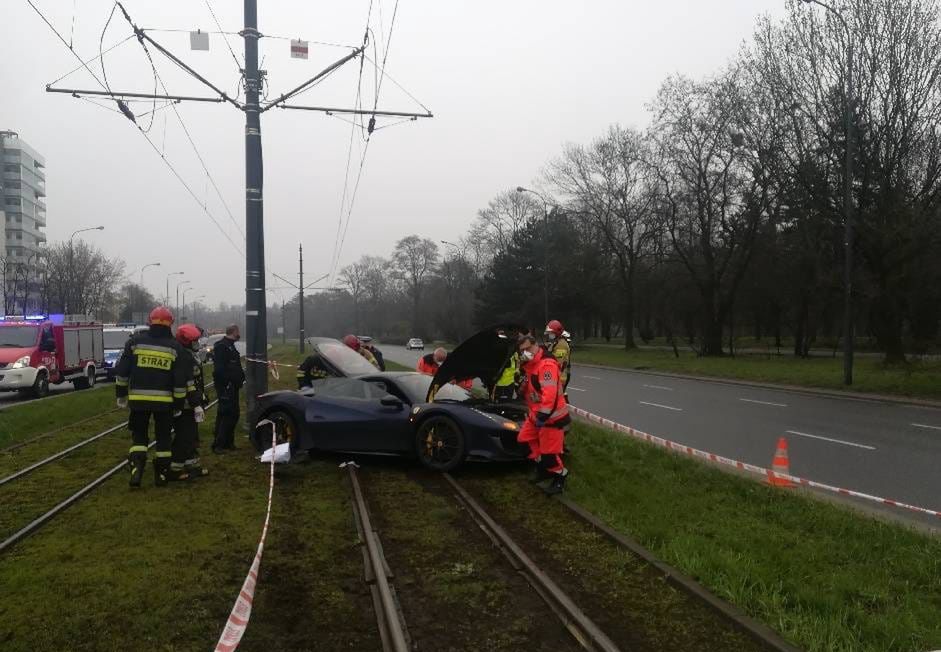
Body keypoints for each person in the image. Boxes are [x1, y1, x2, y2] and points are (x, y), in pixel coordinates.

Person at [115, 306, 190, 488]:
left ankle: (136, 472)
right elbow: (180, 382)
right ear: (170, 324)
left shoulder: (134, 343)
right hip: (165, 404)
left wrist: (121, 395)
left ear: (149, 322)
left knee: (139, 437)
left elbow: (122, 373)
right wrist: (179, 404)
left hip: (138, 402)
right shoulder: (175, 348)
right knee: (163, 438)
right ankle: (161, 476)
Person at [517, 334, 570, 495]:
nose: (526, 352)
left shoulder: (546, 365)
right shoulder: (531, 365)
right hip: (536, 416)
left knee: (549, 453)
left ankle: (560, 477)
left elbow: (550, 396)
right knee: (524, 438)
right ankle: (544, 469)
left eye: (528, 349)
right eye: (523, 350)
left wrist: (542, 417)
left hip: (551, 419)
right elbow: (530, 390)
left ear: (536, 346)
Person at [169, 323, 209, 480]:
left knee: (192, 436)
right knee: (184, 436)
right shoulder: (183, 357)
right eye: (194, 342)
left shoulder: (189, 355)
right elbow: (188, 384)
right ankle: (175, 469)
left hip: (191, 402)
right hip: (185, 405)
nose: (197, 345)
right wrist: (196, 404)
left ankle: (192, 464)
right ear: (186, 342)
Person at [212, 324, 245, 454]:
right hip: (226, 387)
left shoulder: (230, 345)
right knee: (226, 414)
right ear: (234, 331)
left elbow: (235, 366)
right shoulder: (222, 346)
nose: (239, 334)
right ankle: (219, 445)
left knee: (233, 414)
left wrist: (239, 378)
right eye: (238, 331)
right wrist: (227, 383)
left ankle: (229, 442)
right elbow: (220, 369)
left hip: (233, 386)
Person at [544, 320, 571, 394]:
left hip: (558, 378)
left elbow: (558, 362)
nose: (549, 335)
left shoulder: (561, 345)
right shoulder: (556, 342)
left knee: (555, 400)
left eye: (551, 333)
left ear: (556, 333)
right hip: (554, 377)